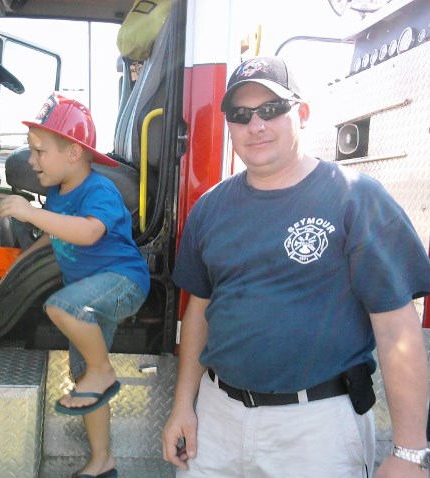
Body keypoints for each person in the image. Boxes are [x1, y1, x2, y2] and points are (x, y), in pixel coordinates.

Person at [161, 56, 430, 478]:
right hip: (216, 420)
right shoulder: (210, 207)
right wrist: (183, 405)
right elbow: (199, 309)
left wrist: (410, 452)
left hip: (315, 430)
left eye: (271, 110)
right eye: (241, 114)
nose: (256, 125)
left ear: (301, 114)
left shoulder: (355, 199)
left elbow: (397, 329)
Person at [0, 93, 150, 478]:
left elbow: (86, 232)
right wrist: (21, 261)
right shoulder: (56, 193)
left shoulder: (99, 192)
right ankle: (102, 461)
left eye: (38, 152)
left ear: (73, 153)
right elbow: (56, 235)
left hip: (122, 283)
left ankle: (104, 372)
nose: (31, 161)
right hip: (89, 297)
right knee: (84, 379)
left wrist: (31, 213)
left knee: (61, 308)